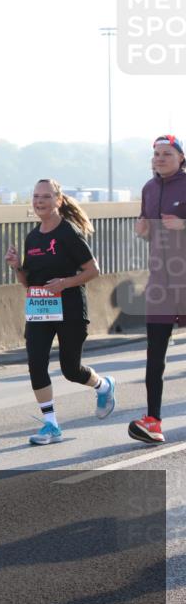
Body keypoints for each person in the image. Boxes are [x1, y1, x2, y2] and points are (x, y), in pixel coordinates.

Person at [5, 179, 116, 445]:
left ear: (58, 200)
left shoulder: (68, 233)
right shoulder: (32, 237)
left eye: (45, 196)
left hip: (70, 309)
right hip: (40, 309)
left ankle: (104, 386)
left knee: (70, 369)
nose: (39, 201)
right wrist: (16, 266)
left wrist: (64, 283)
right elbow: (28, 282)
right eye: (35, 196)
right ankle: (51, 425)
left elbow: (93, 270)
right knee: (36, 364)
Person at [131, 134, 186, 444]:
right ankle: (153, 421)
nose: (159, 158)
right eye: (156, 153)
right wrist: (143, 231)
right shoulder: (149, 189)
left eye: (166, 153)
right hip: (160, 284)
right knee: (155, 357)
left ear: (181, 158)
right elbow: (147, 228)